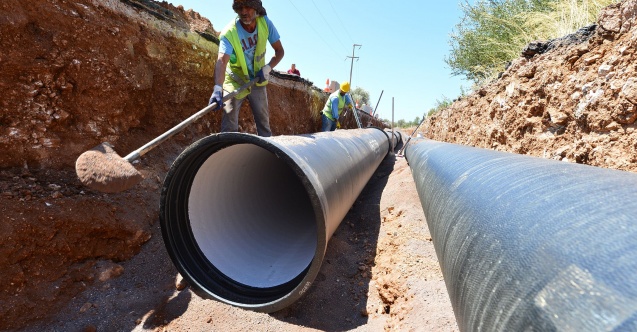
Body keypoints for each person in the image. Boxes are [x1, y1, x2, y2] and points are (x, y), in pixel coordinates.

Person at [209, 0, 284, 137]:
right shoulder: (229, 33)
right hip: (235, 80)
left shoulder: (265, 23)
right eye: (240, 8)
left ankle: (267, 153)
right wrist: (218, 88)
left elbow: (279, 51)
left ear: (256, 8)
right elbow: (222, 60)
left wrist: (267, 68)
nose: (244, 12)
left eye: (248, 7)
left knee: (264, 123)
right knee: (229, 119)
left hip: (257, 80)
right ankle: (228, 153)